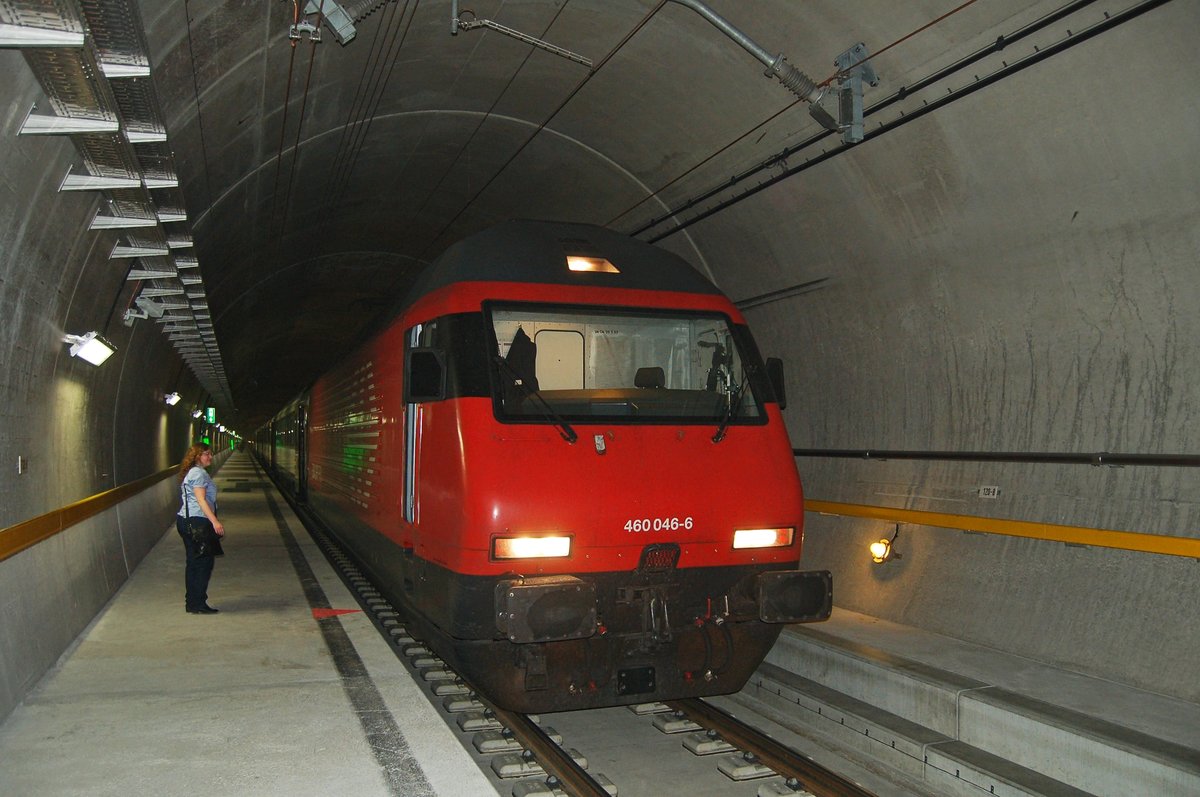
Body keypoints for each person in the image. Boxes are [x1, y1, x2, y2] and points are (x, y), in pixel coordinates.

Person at [176, 444, 225, 614]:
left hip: (186, 520)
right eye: (206, 454)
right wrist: (215, 522)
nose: (210, 457)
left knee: (193, 563)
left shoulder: (192, 472)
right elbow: (201, 500)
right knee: (204, 563)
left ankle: (192, 603)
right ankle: (199, 603)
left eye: (210, 454)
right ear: (197, 456)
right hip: (198, 522)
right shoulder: (198, 473)